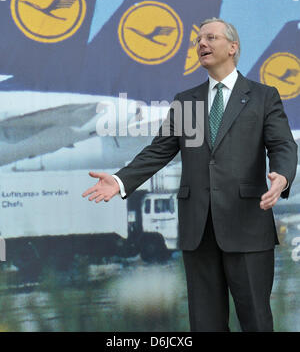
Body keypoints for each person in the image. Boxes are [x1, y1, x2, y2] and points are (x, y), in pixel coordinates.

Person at [82, 18, 298, 332]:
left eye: (210, 37)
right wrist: (119, 180)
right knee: (205, 324)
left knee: (256, 321)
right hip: (199, 232)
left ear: (233, 47)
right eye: (198, 40)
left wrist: (282, 175)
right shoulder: (187, 101)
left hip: (247, 226)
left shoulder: (263, 96)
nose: (202, 44)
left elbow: (282, 144)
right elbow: (160, 150)